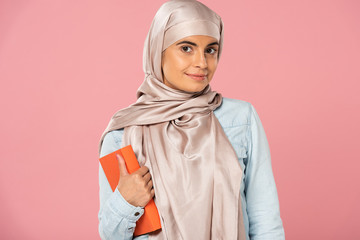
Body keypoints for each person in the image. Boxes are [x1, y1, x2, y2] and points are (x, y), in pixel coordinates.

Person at [98, 0, 285, 239]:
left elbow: (265, 219)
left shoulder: (241, 119)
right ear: (159, 49)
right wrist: (125, 202)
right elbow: (110, 235)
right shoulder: (122, 132)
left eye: (210, 50)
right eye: (186, 48)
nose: (202, 63)